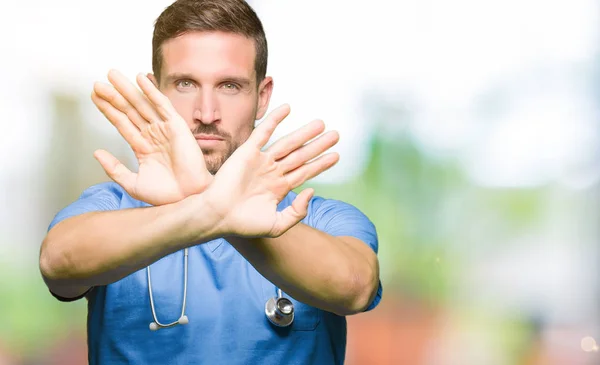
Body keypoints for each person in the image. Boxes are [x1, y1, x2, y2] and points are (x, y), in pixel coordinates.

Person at [39, 0, 382, 364]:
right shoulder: (112, 206)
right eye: (185, 84)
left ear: (261, 97)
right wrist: (211, 205)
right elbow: (57, 262)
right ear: (157, 94)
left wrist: (204, 201)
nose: (206, 113)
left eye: (230, 86)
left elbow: (355, 288)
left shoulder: (318, 218)